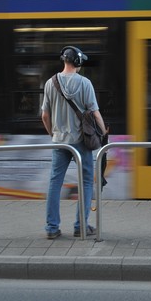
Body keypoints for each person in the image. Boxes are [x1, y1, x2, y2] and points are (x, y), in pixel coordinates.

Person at [41, 46, 107, 239]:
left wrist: (52, 133)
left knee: (55, 183)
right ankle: (81, 227)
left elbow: (45, 115)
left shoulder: (50, 83)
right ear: (77, 62)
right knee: (86, 182)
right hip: (81, 141)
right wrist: (103, 133)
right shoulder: (85, 83)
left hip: (59, 142)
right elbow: (95, 112)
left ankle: (52, 228)